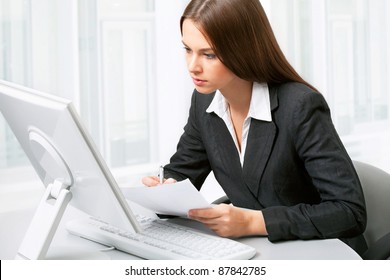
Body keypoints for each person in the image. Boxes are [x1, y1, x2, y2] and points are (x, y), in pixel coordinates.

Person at [142, 0, 367, 255]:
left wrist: (254, 221)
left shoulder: (300, 106)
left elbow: (349, 212)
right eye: (187, 49)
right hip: (259, 251)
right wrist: (163, 190)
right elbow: (183, 174)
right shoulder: (204, 101)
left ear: (243, 49)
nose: (193, 66)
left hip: (322, 251)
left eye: (209, 54)